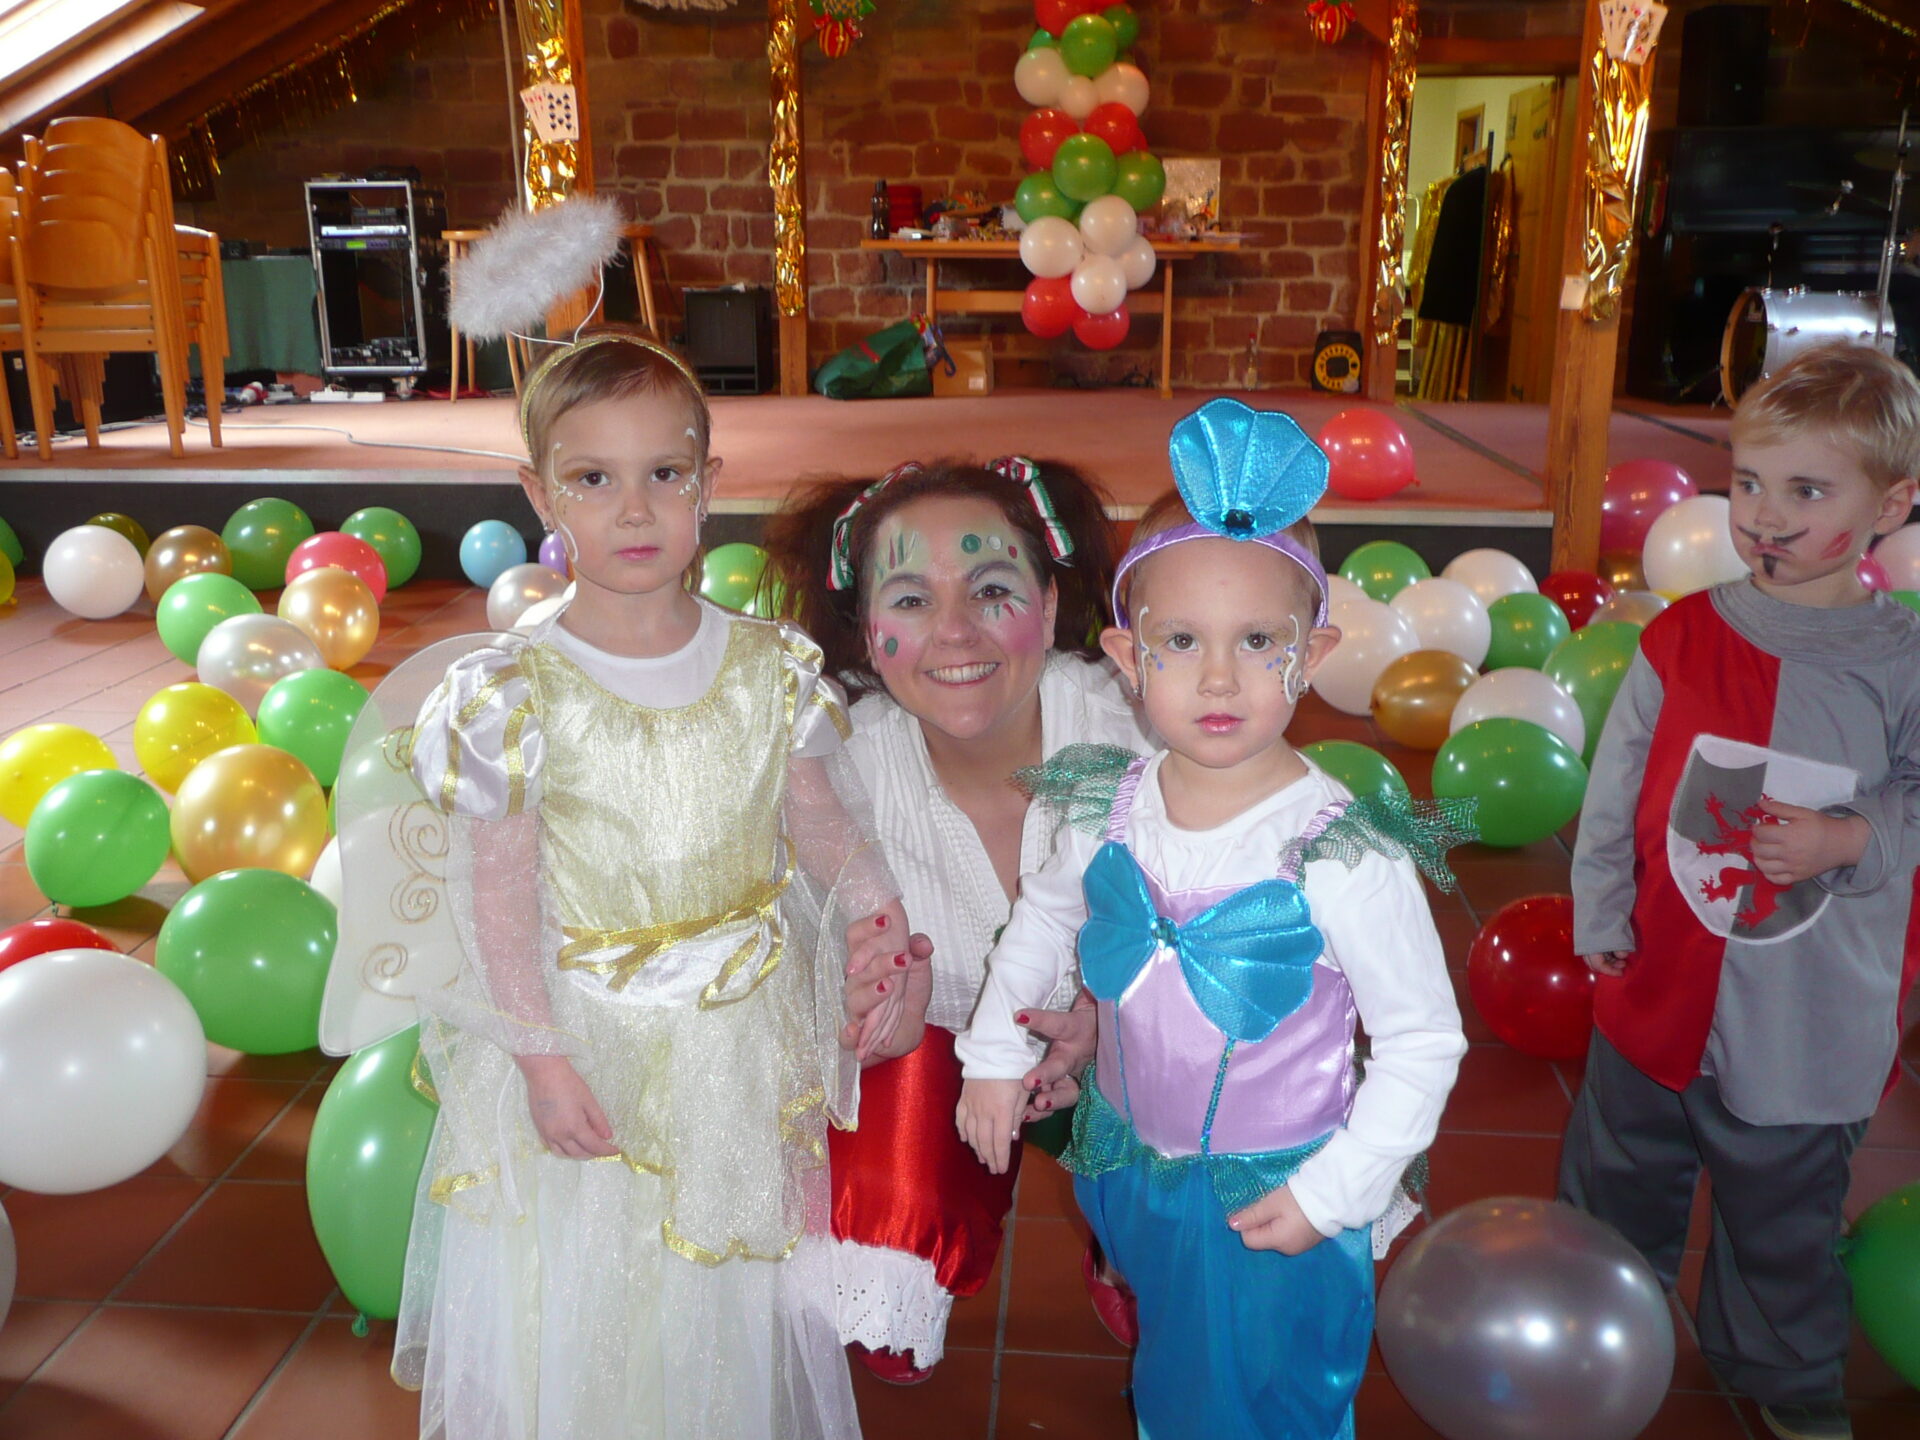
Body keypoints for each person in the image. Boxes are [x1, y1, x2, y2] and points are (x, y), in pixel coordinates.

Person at [369, 331, 928, 1440]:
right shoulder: (516, 694)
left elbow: (824, 829)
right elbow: (498, 899)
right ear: (541, 494)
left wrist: (885, 924)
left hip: (736, 1033)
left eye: (664, 474)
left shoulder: (771, 670)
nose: (634, 510)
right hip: (590, 1034)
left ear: (707, 484)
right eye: (593, 479)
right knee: (592, 1274)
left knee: (716, 1286)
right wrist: (538, 1056)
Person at [954, 398, 1470, 1439]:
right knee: (1183, 1366)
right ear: (1128, 657)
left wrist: (1337, 1190)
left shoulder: (1339, 850)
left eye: (1258, 641)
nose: (1220, 677)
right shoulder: (1108, 808)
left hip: (1273, 1186)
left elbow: (1423, 1039)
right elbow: (1043, 921)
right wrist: (994, 1056)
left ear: (1312, 653)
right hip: (1133, 1161)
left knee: (1275, 1391)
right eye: (1182, 641)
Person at [1563, 342, 1920, 1440]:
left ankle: (1784, 1372)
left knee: (1783, 1213)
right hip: (1660, 981)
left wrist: (1851, 835)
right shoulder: (1680, 636)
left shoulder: (1904, 661)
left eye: (1807, 491)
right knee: (1617, 1183)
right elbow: (1617, 787)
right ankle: (1589, 1335)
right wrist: (1601, 907)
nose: (1764, 517)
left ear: (1891, 506)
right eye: (1749, 482)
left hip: (1810, 1009)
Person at [762, 457, 1151, 1382]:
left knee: (1211, 1184)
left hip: (1132, 1061)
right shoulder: (831, 773)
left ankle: (1128, 1237)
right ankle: (910, 1252)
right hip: (946, 1070)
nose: (954, 631)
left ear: (1049, 609)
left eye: (990, 590)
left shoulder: (1141, 733)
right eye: (910, 600)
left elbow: (1243, 934)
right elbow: (778, 977)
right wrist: (858, 1011)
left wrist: (1114, 1022)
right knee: (874, 1219)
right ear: (867, 634)